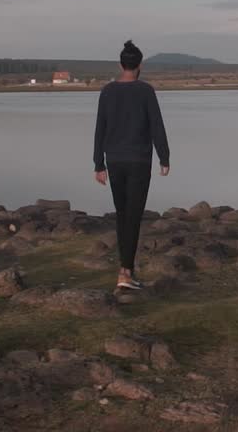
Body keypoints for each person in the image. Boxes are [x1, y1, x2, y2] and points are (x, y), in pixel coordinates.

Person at [92, 40, 170, 291]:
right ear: (139, 65)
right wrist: (164, 158)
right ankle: (125, 273)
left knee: (123, 215)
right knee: (132, 217)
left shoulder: (107, 91)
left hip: (114, 161)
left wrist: (98, 164)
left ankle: (125, 271)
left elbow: (99, 129)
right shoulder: (145, 91)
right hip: (138, 161)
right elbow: (156, 126)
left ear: (120, 64)